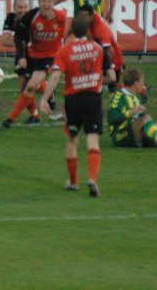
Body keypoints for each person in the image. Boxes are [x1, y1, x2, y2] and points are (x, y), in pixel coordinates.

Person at [39, 14, 113, 197]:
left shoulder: (65, 51)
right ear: (88, 30)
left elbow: (55, 76)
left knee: (72, 139)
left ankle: (73, 181)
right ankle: (93, 179)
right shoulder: (98, 49)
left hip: (73, 99)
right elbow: (112, 76)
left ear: (72, 31)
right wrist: (95, 79)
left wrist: (44, 99)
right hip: (93, 98)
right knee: (92, 138)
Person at [3, 0, 68, 129]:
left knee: (31, 86)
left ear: (53, 2)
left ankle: (10, 119)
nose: (47, 4)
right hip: (31, 56)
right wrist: (21, 56)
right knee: (25, 86)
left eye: (50, 1)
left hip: (49, 58)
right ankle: (49, 95)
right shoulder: (31, 16)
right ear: (39, 2)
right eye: (44, 1)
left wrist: (63, 54)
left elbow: (64, 37)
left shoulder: (61, 17)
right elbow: (19, 35)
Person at [2, 0, 44, 124]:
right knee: (23, 87)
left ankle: (48, 90)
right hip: (21, 55)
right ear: (14, 8)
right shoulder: (11, 18)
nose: (23, 10)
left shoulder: (35, 19)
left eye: (25, 7)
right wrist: (21, 44)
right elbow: (4, 41)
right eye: (20, 7)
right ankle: (35, 116)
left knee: (32, 86)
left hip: (35, 56)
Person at [77, 4, 124, 91]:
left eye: (84, 16)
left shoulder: (101, 29)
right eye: (81, 16)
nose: (82, 18)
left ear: (91, 15)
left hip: (113, 61)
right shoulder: (90, 21)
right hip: (103, 57)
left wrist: (103, 66)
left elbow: (109, 51)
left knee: (114, 88)